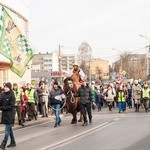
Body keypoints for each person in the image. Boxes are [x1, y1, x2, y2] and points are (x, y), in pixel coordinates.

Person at [0, 82, 16, 149]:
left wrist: (2, 108)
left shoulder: (12, 95)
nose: (5, 88)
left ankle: (3, 143)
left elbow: (11, 106)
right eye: (5, 87)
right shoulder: (2, 94)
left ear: (9, 88)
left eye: (6, 87)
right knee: (9, 129)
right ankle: (13, 142)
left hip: (10, 114)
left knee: (7, 129)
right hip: (4, 114)